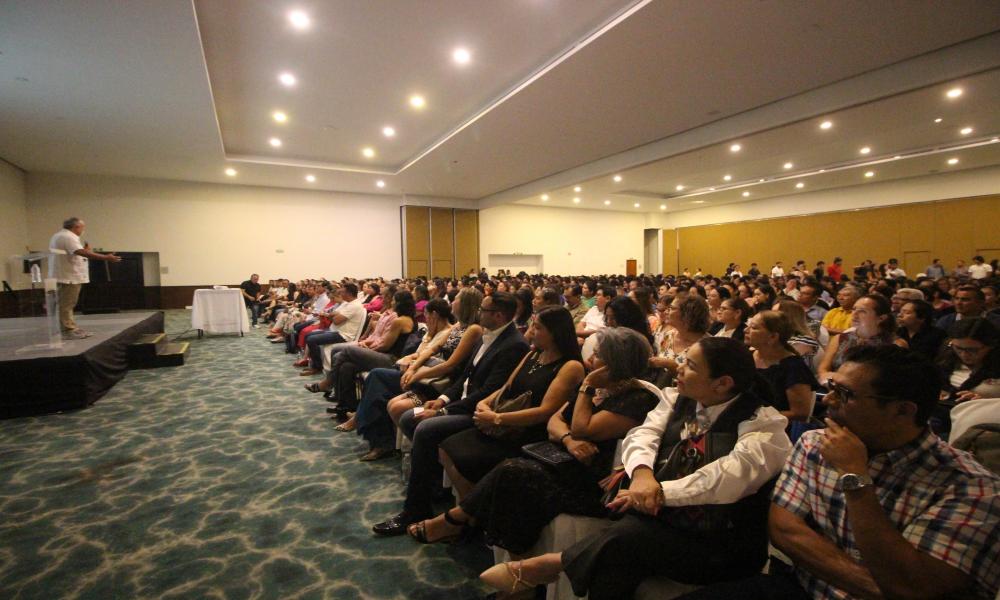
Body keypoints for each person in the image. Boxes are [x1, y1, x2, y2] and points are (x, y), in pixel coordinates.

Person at [680, 345, 1000, 600]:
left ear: (903, 410)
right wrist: (878, 587)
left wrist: (856, 480)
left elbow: (912, 585)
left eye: (845, 395)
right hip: (805, 589)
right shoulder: (813, 443)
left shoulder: (971, 487)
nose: (828, 400)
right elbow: (785, 528)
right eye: (832, 387)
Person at [481, 337, 792, 599]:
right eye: (683, 360)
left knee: (628, 535)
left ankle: (547, 566)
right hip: (667, 520)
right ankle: (541, 569)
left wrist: (655, 491)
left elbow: (727, 479)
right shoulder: (678, 398)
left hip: (720, 543)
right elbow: (643, 434)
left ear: (723, 383)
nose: (678, 368)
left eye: (691, 366)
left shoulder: (764, 426)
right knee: (617, 556)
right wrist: (642, 474)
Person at [405, 328, 660, 548]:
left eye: (599, 356)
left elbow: (583, 427)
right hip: (562, 459)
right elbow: (555, 422)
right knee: (509, 469)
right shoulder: (599, 388)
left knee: (512, 471)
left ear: (616, 363)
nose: (591, 359)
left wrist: (587, 386)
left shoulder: (636, 398)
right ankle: (463, 522)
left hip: (590, 481)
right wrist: (569, 440)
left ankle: (456, 522)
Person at [372, 292, 529, 537]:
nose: (479, 313)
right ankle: (434, 483)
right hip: (461, 402)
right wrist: (442, 399)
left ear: (498, 316)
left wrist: (445, 409)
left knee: (425, 428)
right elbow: (464, 377)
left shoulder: (514, 344)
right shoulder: (482, 334)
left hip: (480, 413)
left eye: (484, 310)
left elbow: (488, 392)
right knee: (408, 418)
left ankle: (415, 510)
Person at [430, 307, 584, 501]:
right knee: (446, 448)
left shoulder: (570, 366)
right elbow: (506, 387)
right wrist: (485, 403)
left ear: (555, 332)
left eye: (537, 328)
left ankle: (470, 511)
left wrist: (497, 418)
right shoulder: (533, 355)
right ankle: (471, 510)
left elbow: (545, 412)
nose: (530, 332)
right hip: (504, 423)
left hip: (529, 432)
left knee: (462, 454)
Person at [48, 217, 122, 339]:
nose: (83, 230)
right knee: (66, 304)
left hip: (68, 275)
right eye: (82, 227)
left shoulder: (63, 236)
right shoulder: (68, 237)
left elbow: (79, 252)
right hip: (68, 276)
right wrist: (105, 258)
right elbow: (81, 252)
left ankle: (72, 328)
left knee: (68, 303)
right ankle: (67, 330)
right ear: (75, 227)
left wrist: (85, 251)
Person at [746, 311, 820, 422]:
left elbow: (800, 413)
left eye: (753, 328)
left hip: (773, 428)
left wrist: (755, 419)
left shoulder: (794, 367)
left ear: (773, 337)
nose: (745, 330)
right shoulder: (747, 356)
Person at [818, 293, 907, 382]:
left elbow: (894, 380)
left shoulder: (896, 344)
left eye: (862, 311)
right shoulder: (840, 338)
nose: (854, 314)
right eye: (854, 309)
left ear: (881, 318)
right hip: (835, 387)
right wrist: (830, 380)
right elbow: (823, 370)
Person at [936, 285, 1000, 331]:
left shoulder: (995, 321)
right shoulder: (946, 321)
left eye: (965, 300)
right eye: (956, 299)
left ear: (980, 303)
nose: (958, 303)